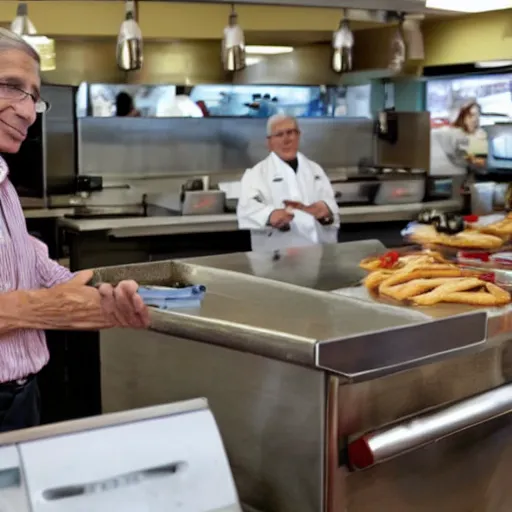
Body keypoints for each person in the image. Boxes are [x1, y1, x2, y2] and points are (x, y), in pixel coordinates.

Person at [0, 28, 150, 432]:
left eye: (33, 95)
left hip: (21, 396)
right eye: (12, 88)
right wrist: (47, 307)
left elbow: (28, 259)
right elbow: (44, 300)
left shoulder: (3, 183)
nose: (29, 112)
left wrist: (96, 291)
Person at [237, 114, 339, 251]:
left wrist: (325, 214)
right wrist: (270, 216)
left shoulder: (315, 170)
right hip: (275, 257)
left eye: (290, 132)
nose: (286, 139)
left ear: (298, 136)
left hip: (317, 255)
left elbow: (332, 212)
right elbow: (247, 209)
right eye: (279, 134)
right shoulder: (256, 174)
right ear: (270, 142)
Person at [433, 101, 487, 174]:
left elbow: (480, 165)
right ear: (463, 117)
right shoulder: (453, 132)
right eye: (471, 116)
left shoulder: (480, 134)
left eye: (477, 116)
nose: (475, 120)